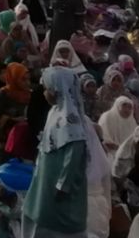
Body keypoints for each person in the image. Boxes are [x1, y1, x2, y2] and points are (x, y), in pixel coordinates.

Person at [22, 66, 93, 238]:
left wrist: (63, 184)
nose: (45, 93)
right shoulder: (54, 112)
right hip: (47, 177)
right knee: (37, 213)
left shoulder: (70, 119)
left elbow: (75, 152)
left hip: (59, 184)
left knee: (56, 224)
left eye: (47, 89)